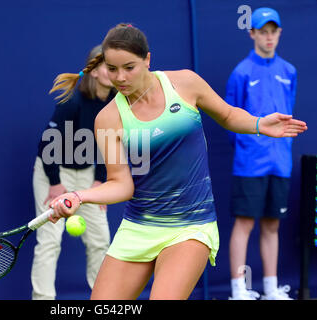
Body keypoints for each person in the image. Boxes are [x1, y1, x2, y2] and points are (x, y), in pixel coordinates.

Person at [47, 23, 307, 300]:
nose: (120, 77)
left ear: (147, 59)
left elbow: (228, 115)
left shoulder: (184, 83)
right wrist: (80, 195)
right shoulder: (108, 118)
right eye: (112, 69)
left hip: (190, 226)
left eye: (129, 67)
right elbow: (121, 184)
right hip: (139, 226)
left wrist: (258, 123)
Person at [31, 44, 116, 300]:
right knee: (50, 242)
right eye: (108, 67)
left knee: (101, 241)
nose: (115, 73)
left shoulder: (115, 103)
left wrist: (101, 180)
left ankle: (104, 300)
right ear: (94, 72)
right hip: (53, 174)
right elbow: (48, 143)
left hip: (90, 177)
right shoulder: (73, 102)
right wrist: (55, 184)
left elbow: (109, 144)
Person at [226, 8, 298, 300]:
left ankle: (270, 288)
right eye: (263, 31)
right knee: (244, 223)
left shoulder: (289, 71)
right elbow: (230, 119)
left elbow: (289, 114)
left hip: (280, 162)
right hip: (249, 164)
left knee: (272, 224)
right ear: (252, 33)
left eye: (273, 31)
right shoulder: (241, 73)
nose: (269, 37)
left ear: (279, 33)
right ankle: (238, 290)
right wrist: (249, 146)